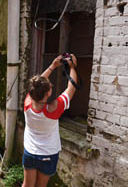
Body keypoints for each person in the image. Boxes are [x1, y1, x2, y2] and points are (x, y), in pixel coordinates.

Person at [22, 54, 78, 187]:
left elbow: (36, 86)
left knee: (27, 185)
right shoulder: (54, 108)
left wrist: (52, 66)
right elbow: (72, 88)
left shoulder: (27, 103)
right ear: (48, 93)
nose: (51, 86)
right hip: (48, 154)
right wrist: (73, 67)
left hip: (30, 152)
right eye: (50, 87)